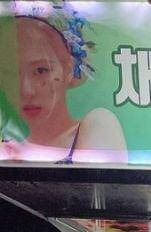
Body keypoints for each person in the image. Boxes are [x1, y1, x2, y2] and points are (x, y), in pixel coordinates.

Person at [0, 13, 127, 163]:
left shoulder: (99, 124)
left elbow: (98, 177)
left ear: (68, 69)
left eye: (41, 70)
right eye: (11, 74)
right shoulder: (9, 148)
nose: (26, 90)